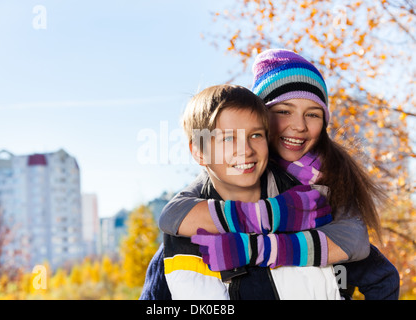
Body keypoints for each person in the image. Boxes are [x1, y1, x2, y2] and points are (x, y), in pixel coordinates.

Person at [140, 49, 400, 300]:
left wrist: (254, 249)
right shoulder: (214, 196)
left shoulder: (320, 193)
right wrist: (268, 214)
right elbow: (173, 216)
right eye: (283, 111)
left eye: (313, 114)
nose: (298, 126)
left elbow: (357, 246)